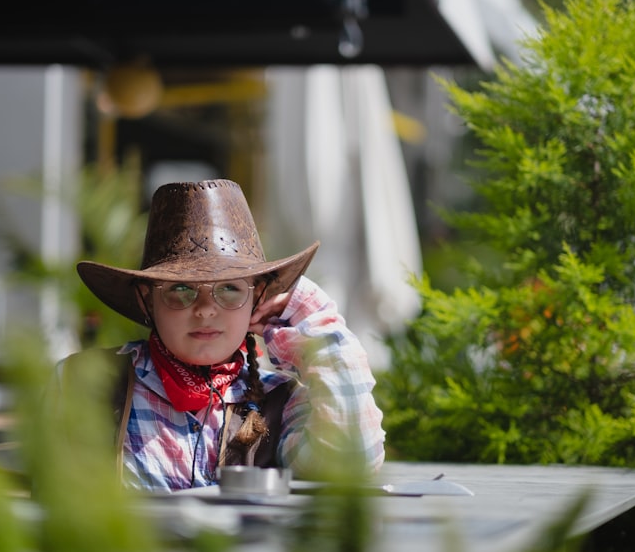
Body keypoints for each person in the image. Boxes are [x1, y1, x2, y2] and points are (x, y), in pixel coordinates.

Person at [52, 179, 385, 492]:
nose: (206, 309)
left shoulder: (278, 401)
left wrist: (309, 315)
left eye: (229, 289)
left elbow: (350, 463)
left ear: (257, 298)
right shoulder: (84, 382)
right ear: (146, 299)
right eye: (180, 290)